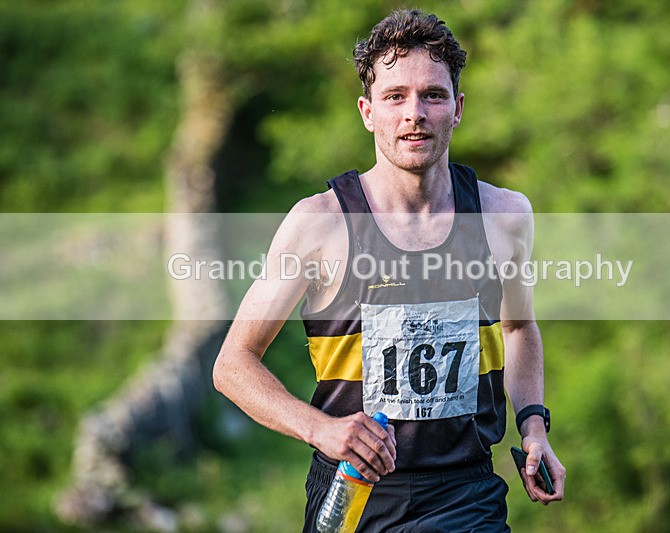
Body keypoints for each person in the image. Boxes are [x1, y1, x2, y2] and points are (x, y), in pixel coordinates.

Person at [213, 9, 565, 531]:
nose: (414, 113)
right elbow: (233, 365)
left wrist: (533, 427)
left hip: (465, 496)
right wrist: (323, 430)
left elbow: (518, 328)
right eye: (395, 96)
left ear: (458, 108)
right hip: (353, 493)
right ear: (367, 111)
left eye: (433, 95)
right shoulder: (320, 224)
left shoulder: (505, 217)